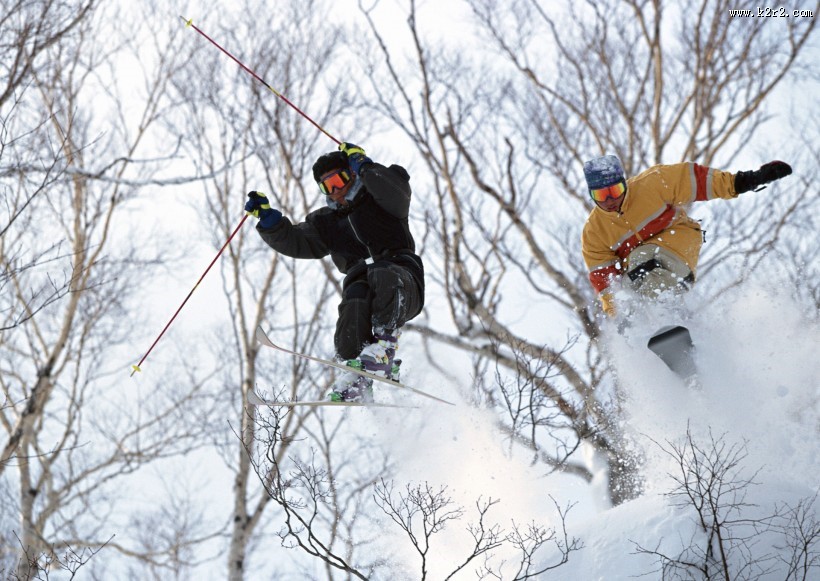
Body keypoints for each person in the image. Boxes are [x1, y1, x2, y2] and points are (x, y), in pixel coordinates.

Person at [244, 142, 424, 402]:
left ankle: (384, 347)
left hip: (404, 285)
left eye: (339, 180)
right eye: (327, 187)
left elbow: (395, 190)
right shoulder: (326, 221)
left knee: (380, 272)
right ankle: (355, 371)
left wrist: (364, 166)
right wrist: (269, 221)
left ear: (350, 174)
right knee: (354, 294)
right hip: (367, 291)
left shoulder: (381, 197)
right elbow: (297, 240)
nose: (336, 190)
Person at [581, 155, 792, 318]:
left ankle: (669, 318)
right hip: (643, 274)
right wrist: (619, 316)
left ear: (624, 184)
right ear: (591, 194)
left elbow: (699, 181)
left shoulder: (653, 183)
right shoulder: (594, 232)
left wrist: (749, 180)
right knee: (628, 295)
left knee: (642, 259)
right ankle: (668, 342)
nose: (610, 200)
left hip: (678, 244)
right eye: (601, 195)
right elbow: (605, 281)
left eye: (615, 190)